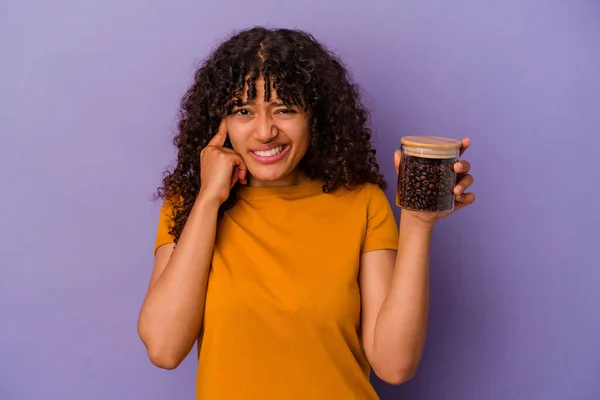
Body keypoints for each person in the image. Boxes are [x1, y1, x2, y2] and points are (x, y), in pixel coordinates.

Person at [137, 26, 475, 399]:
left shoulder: (362, 202)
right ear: (221, 123)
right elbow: (164, 348)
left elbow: (394, 365)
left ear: (316, 116)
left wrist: (417, 221)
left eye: (284, 109)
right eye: (243, 111)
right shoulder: (189, 205)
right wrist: (208, 199)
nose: (265, 131)